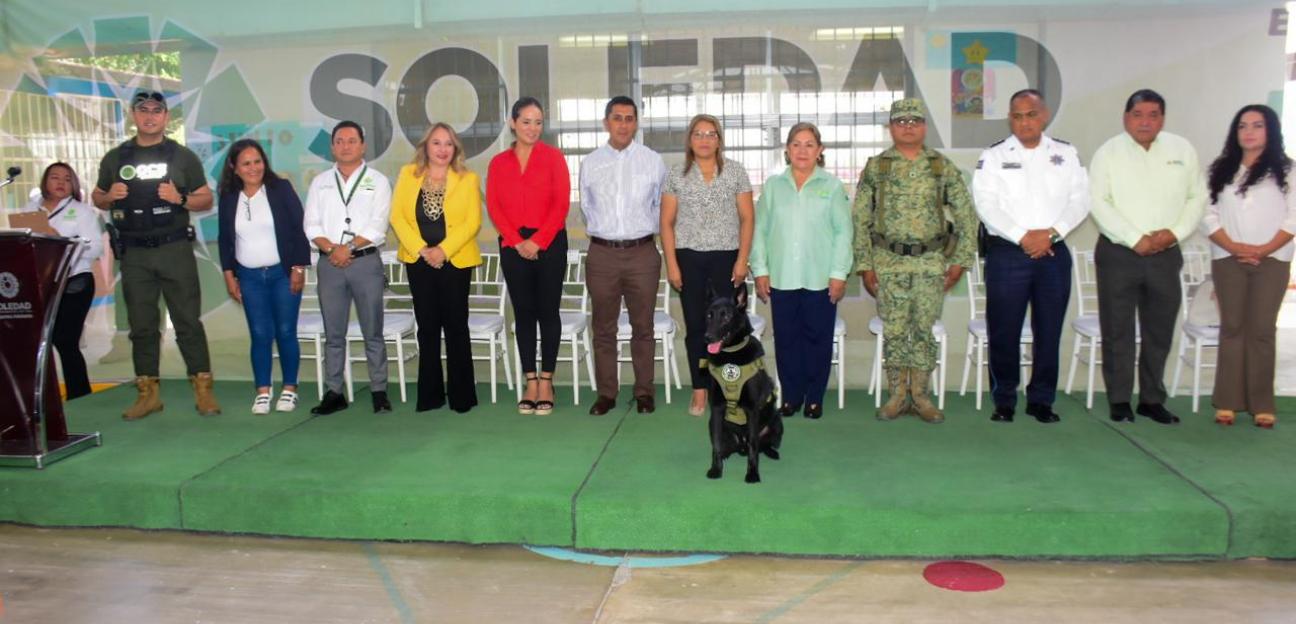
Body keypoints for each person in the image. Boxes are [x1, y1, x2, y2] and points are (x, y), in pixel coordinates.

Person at [90, 90, 220, 420]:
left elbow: (205, 199)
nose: (150, 116)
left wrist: (180, 198)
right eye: (143, 110)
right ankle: (148, 395)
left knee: (188, 321)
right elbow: (96, 195)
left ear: (166, 117)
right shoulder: (116, 158)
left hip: (174, 249)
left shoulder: (182, 157)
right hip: (134, 253)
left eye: (157, 111)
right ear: (133, 115)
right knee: (142, 326)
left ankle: (203, 391)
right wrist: (109, 196)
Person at [853, 98, 978, 424]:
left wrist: (961, 262)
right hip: (888, 263)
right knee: (894, 332)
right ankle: (896, 396)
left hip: (930, 264)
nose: (908, 126)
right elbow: (860, 219)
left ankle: (921, 396)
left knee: (923, 331)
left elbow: (967, 217)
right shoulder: (877, 167)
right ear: (891, 127)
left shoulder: (941, 166)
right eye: (901, 121)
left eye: (914, 120)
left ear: (924, 126)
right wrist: (865, 264)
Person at [971, 89, 1090, 424]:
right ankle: (1004, 399)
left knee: (1049, 330)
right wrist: (1024, 237)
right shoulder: (994, 156)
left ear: (1045, 115)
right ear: (1011, 118)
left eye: (1031, 114)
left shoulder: (1066, 154)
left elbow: (1080, 200)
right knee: (1003, 330)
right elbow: (985, 203)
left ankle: (1041, 400)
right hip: (1009, 251)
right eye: (1017, 115)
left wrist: (1051, 233)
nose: (1024, 122)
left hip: (1053, 250)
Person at [1089, 89, 1206, 425]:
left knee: (1159, 330)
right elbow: (1098, 201)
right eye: (1138, 114)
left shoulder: (1182, 150)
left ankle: (1152, 399)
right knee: (1117, 330)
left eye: (1153, 115)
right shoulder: (1108, 153)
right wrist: (1134, 238)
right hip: (1119, 253)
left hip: (1166, 254)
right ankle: (1120, 399)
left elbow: (1196, 198)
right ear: (1126, 117)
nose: (1145, 121)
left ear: (1163, 119)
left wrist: (1174, 233)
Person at [1201, 104, 1295, 429]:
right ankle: (1227, 402)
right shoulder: (1220, 170)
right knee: (1233, 329)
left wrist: (1264, 249)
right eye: (1242, 126)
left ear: (1271, 130)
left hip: (1273, 260)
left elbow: (1292, 217)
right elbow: (1207, 215)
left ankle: (1261, 404)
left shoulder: (1287, 170)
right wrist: (1235, 247)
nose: (1249, 132)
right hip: (1228, 259)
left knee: (1262, 331)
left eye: (1257, 125)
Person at [750, 123, 852, 419]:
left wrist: (839, 273)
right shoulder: (773, 186)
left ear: (820, 151)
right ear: (787, 150)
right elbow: (760, 231)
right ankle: (792, 396)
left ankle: (815, 398)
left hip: (821, 277)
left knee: (817, 339)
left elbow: (844, 233)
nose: (802, 150)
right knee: (786, 340)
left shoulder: (832, 187)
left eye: (809, 144)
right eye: (796, 144)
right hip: (782, 276)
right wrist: (760, 270)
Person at [661, 114, 754, 417]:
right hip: (689, 258)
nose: (704, 139)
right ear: (690, 139)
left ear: (719, 140)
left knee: (729, 329)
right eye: (698, 134)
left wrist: (742, 261)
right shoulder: (676, 174)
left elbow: (747, 218)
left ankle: (729, 389)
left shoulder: (735, 172)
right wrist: (672, 265)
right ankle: (700, 390)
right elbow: (666, 222)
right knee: (697, 328)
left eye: (710, 134)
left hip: (727, 258)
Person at [579, 96, 667, 416]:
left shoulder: (652, 161)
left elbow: (659, 206)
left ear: (636, 124)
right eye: (617, 118)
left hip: (642, 253)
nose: (624, 124)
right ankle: (607, 394)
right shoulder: (590, 163)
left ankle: (644, 392)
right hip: (602, 254)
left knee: (643, 326)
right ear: (606, 123)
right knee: (604, 327)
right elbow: (586, 208)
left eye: (630, 118)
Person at [390, 122, 483, 413]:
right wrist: (422, 250)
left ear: (455, 149)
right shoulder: (408, 174)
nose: (443, 149)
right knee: (427, 328)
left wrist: (443, 250)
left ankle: (462, 397)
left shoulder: (468, 178)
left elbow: (472, 222)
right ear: (425, 147)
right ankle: (430, 397)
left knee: (456, 327)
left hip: (455, 261)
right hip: (419, 262)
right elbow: (397, 217)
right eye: (436, 143)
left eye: (448, 144)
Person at [486, 97, 570, 416]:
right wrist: (515, 240)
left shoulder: (554, 158)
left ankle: (547, 381)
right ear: (512, 122)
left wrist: (538, 241)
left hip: (549, 244)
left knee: (548, 311)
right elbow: (494, 205)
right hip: (512, 246)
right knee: (523, 313)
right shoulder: (499, 163)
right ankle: (529, 380)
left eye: (538, 122)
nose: (533, 128)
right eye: (526, 122)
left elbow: (561, 204)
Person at [303, 120, 393, 415]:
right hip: (329, 263)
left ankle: (379, 391)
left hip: (365, 262)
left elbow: (379, 225)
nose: (345, 146)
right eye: (340, 141)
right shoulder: (320, 182)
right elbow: (311, 224)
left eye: (352, 140)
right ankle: (334, 392)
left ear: (363, 145)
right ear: (332, 146)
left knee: (373, 330)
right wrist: (332, 250)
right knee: (334, 333)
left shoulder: (378, 181)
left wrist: (349, 248)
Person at [216, 139, 311, 415]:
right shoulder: (229, 196)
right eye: (246, 163)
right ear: (234, 168)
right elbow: (225, 239)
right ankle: (262, 391)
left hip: (283, 274)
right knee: (259, 334)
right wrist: (229, 275)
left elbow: (298, 228)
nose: (253, 167)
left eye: (257, 161)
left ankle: (290, 389)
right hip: (249, 277)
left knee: (285, 332)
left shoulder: (280, 188)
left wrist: (299, 267)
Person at [24, 163, 103, 400]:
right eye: (55, 177)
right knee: (40, 343)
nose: (60, 182)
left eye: (67, 179)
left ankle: (80, 395)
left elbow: (95, 247)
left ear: (74, 185)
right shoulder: (30, 209)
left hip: (75, 281)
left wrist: (64, 242)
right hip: (41, 283)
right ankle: (43, 399)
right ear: (45, 182)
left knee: (65, 340)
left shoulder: (82, 211)